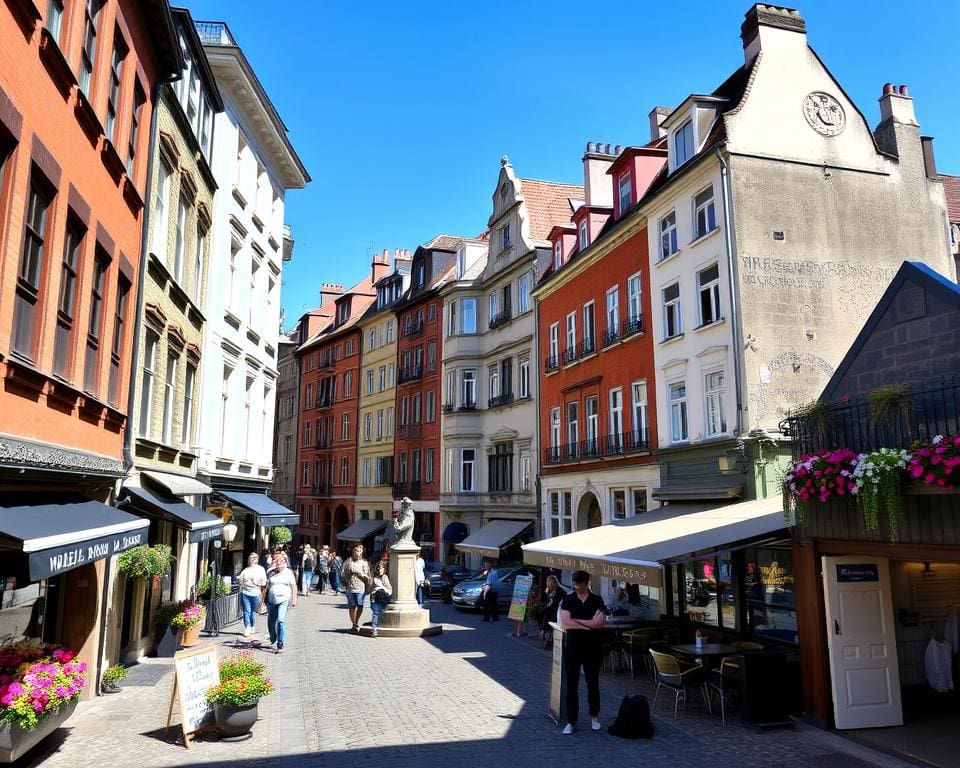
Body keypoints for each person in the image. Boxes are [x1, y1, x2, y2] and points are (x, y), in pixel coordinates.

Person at [558, 570, 606, 735]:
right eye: (574, 583)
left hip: (593, 647)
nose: (576, 586)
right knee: (572, 684)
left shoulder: (597, 599)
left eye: (579, 583)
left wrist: (576, 621)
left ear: (587, 582)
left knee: (593, 683)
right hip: (572, 647)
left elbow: (600, 623)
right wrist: (588, 624)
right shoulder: (568, 599)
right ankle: (571, 721)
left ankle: (594, 716)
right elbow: (565, 623)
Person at [264, 552, 297, 653]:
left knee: (281, 620)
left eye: (281, 562)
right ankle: (273, 636)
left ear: (284, 563)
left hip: (284, 599)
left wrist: (294, 598)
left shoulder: (289, 573)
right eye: (277, 562)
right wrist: (262, 600)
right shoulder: (270, 572)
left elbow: (293, 586)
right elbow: (266, 586)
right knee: (271, 621)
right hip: (271, 600)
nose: (279, 564)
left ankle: (280, 642)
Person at [341, 543, 371, 632]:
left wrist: (363, 576)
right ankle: (353, 623)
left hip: (361, 587)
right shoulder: (348, 562)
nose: (357, 552)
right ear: (353, 552)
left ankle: (356, 621)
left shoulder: (364, 563)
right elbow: (343, 574)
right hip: (350, 587)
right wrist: (347, 580)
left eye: (359, 551)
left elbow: (368, 576)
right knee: (352, 606)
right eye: (356, 551)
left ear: (362, 552)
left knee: (360, 605)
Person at [237, 553, 267, 638]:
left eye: (255, 557)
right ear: (249, 559)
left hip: (256, 593)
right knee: (247, 611)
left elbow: (264, 582)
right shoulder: (245, 570)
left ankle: (253, 625)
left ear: (258, 559)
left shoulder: (261, 569)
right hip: (246, 593)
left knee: (252, 612)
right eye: (252, 557)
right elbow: (240, 581)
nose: (253, 559)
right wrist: (241, 580)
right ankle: (247, 627)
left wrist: (257, 583)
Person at [540, 575, 567, 647]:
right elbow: (549, 600)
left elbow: (556, 602)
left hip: (557, 610)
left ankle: (548, 636)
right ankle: (546, 634)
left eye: (548, 583)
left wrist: (549, 604)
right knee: (543, 612)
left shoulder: (559, 591)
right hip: (553, 609)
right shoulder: (551, 589)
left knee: (546, 613)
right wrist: (547, 594)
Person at [368, 561, 392, 638]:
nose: (379, 570)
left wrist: (381, 587)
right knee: (375, 612)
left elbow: (390, 590)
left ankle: (375, 627)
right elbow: (370, 589)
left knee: (378, 612)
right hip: (375, 597)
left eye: (381, 568)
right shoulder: (374, 577)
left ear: (384, 569)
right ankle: (374, 629)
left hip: (382, 598)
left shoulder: (385, 577)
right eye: (378, 568)